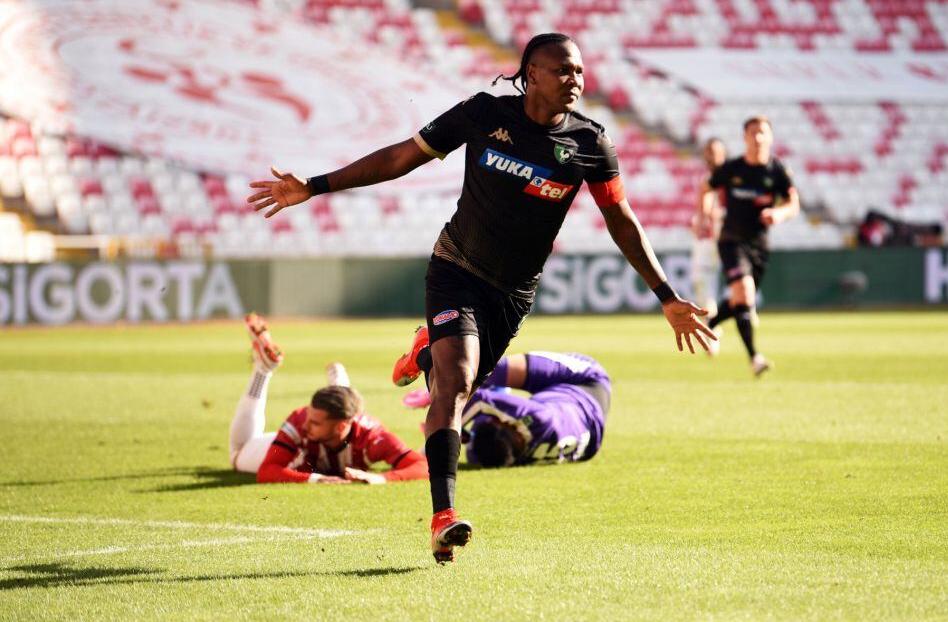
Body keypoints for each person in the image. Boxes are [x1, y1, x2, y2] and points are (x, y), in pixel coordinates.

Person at [247, 33, 715, 563]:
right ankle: (443, 517)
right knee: (455, 384)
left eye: (580, 71)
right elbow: (401, 157)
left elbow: (621, 221)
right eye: (563, 70)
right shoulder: (483, 114)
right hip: (456, 268)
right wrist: (314, 185)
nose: (575, 80)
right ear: (531, 73)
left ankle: (425, 351)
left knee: (458, 382)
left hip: (513, 294)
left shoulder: (590, 143)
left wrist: (667, 295)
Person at [229, 314, 428, 485]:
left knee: (339, 406)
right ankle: (263, 370)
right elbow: (267, 471)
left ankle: (340, 386)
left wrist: (380, 478)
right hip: (289, 451)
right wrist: (315, 479)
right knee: (237, 455)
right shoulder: (299, 422)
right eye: (310, 419)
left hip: (325, 441)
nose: (306, 425)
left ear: (341, 427)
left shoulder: (371, 435)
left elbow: (421, 466)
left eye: (315, 423)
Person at [700, 116, 800, 376]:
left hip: (760, 245)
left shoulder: (777, 171)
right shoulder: (733, 168)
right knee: (745, 294)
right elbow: (706, 187)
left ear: (770, 137)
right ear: (745, 138)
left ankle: (712, 322)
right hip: (731, 240)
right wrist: (706, 215)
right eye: (752, 133)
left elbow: (793, 204)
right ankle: (755, 358)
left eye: (762, 132)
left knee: (740, 300)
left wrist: (779, 214)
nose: (757, 138)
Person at [402, 348, 611, 467]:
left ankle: (431, 357)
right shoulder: (538, 418)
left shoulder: (496, 455)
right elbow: (479, 400)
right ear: (506, 424)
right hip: (587, 383)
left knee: (477, 408)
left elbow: (478, 441)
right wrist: (429, 449)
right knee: (492, 372)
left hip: (589, 437)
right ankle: (445, 374)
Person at [689, 138, 726, 323]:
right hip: (710, 237)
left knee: (737, 282)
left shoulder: (730, 177)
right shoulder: (706, 178)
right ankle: (712, 323)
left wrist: (716, 216)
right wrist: (700, 220)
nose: (710, 156)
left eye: (714, 151)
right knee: (703, 280)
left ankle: (746, 316)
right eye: (708, 151)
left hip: (725, 237)